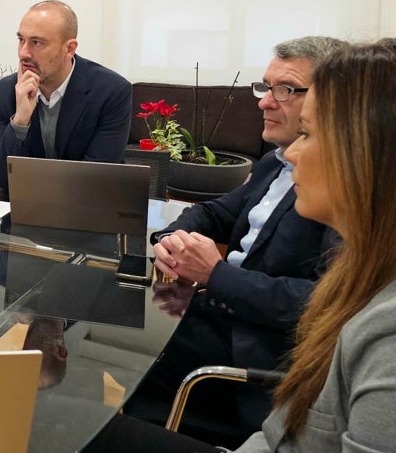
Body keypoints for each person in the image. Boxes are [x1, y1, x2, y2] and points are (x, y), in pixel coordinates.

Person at [90, 38, 396, 452]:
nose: (292, 154)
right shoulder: (389, 266)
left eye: (309, 134)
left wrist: (216, 274)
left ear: (377, 156)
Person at [120, 37, 343, 446]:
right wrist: (173, 238)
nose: (264, 101)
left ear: (333, 103)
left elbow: (326, 304)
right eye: (265, 86)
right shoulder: (273, 162)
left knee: (108, 382)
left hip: (251, 355)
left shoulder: (342, 190)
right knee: (100, 333)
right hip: (209, 313)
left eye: (286, 89)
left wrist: (215, 274)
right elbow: (214, 213)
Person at [0, 0, 132, 189]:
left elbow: (96, 180)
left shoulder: (111, 91)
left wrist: (27, 178)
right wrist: (20, 120)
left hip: (89, 211)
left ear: (69, 49)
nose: (23, 53)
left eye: (36, 42)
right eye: (21, 39)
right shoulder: (7, 90)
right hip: (25, 209)